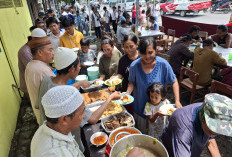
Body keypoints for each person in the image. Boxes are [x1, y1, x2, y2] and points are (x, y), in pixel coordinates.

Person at [35, 47, 121, 152]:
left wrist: (79, 83)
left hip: (47, 135)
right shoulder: (71, 96)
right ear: (72, 68)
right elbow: (93, 119)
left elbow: (39, 104)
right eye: (79, 65)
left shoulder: (46, 81)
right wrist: (110, 98)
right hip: (70, 144)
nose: (80, 68)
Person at [31, 85, 144, 157]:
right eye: (81, 112)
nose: (85, 115)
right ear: (64, 119)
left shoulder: (45, 129)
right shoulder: (56, 153)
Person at [126, 39, 182, 134]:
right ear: (139, 52)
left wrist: (177, 101)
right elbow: (131, 82)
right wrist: (127, 94)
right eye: (144, 53)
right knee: (141, 134)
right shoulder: (134, 66)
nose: (147, 57)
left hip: (159, 110)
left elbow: (174, 81)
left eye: (150, 52)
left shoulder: (163, 64)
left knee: (158, 134)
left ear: (156, 50)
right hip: (140, 108)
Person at [161, 93, 232, 157]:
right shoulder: (184, 128)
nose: (216, 133)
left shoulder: (208, 107)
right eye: (213, 129)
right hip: (174, 148)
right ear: (202, 117)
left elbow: (211, 138)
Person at [25, 36, 55, 124]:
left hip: (40, 116)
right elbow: (58, 93)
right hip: (49, 119)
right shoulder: (43, 70)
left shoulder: (30, 65)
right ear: (40, 52)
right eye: (50, 50)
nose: (53, 53)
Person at [18, 27, 41, 99]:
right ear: (34, 40)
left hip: (33, 82)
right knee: (36, 104)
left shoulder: (32, 48)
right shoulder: (25, 51)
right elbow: (35, 68)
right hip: (28, 85)